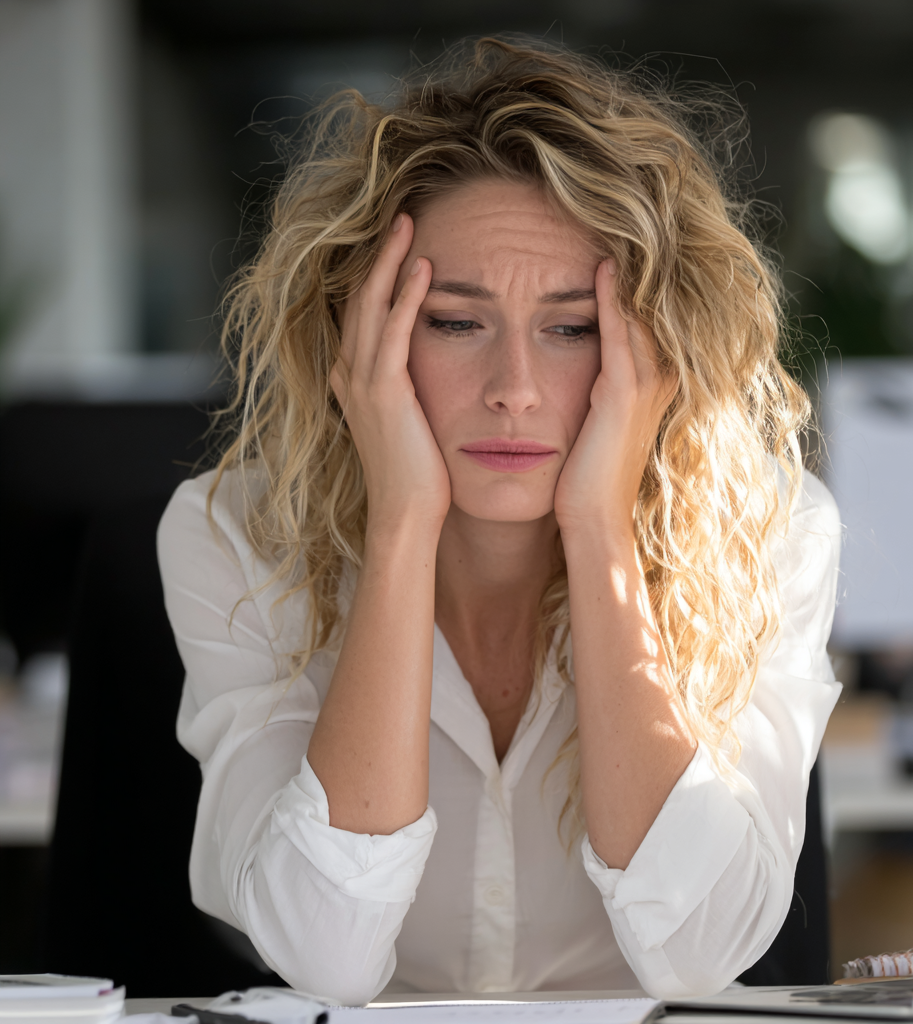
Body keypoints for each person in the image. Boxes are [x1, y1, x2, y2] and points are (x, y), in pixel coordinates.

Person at [157, 38, 841, 1004]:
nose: (514, 391)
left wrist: (600, 534)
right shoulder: (233, 531)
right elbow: (326, 957)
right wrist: (401, 526)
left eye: (573, 329)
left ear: (657, 345)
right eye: (453, 322)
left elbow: (702, 954)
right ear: (363, 336)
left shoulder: (769, 528)